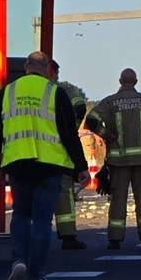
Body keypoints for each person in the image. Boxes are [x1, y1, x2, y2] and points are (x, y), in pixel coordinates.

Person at [0, 51, 90, 280]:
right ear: (47, 70)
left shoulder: (6, 93)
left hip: (17, 164)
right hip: (49, 166)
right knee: (42, 221)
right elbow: (68, 134)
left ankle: (19, 261)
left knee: (21, 214)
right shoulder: (55, 93)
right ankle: (37, 276)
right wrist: (81, 167)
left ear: (25, 67)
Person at [85, 68, 141, 250]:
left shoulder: (110, 102)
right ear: (136, 81)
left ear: (120, 81)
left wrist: (106, 134)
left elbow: (91, 119)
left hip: (119, 160)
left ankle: (115, 240)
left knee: (118, 199)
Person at [48, 59, 89, 250]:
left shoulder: (19, 90)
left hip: (26, 153)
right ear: (53, 72)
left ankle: (30, 236)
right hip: (58, 152)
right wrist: (73, 125)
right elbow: (80, 105)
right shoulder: (60, 90)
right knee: (64, 193)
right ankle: (68, 236)